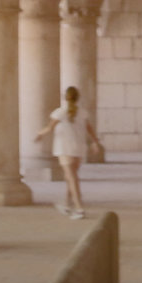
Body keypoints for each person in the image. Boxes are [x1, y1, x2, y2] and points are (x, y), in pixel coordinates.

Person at [36, 85, 98, 220]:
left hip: (64, 148)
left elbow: (49, 128)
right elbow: (90, 129)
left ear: (65, 97)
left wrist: (39, 134)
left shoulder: (60, 112)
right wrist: (95, 142)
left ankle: (79, 207)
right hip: (79, 148)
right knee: (70, 177)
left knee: (72, 178)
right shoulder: (82, 112)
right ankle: (67, 203)